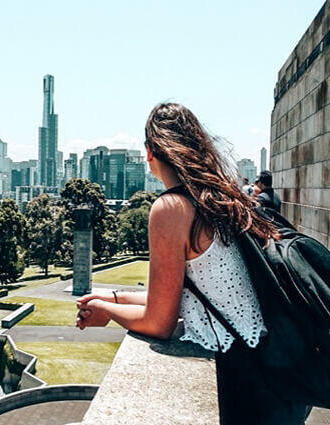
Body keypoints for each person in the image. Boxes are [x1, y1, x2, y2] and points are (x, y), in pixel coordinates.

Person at [76, 103, 310, 425]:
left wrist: (107, 313)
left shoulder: (171, 208)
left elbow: (160, 323)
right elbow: (184, 298)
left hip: (247, 381)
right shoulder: (223, 198)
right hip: (280, 372)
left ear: (149, 153)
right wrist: (110, 298)